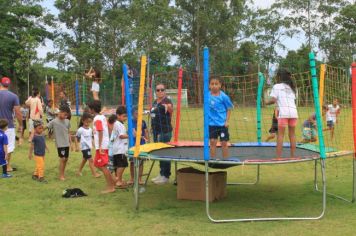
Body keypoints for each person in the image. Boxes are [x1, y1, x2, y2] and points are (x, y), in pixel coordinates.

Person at [265, 69, 298, 159]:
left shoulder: (277, 86)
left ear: (279, 77)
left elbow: (273, 100)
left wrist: (266, 102)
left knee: (280, 135)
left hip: (284, 113)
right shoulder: (292, 87)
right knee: (292, 135)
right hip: (294, 113)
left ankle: (278, 157)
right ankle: (292, 156)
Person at [88, 100, 115, 193]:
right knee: (96, 163)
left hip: (102, 146)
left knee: (103, 166)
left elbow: (100, 131)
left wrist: (99, 147)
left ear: (92, 109)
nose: (89, 110)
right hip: (103, 145)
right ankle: (113, 181)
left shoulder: (97, 119)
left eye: (89, 108)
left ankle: (111, 187)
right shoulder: (101, 116)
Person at [150, 83, 173, 185]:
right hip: (156, 131)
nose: (160, 92)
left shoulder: (167, 101)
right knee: (159, 153)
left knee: (165, 153)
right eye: (158, 90)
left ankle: (166, 175)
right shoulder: (155, 102)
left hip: (165, 131)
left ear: (165, 91)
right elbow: (153, 115)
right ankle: (161, 173)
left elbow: (171, 110)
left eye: (162, 90)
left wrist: (167, 107)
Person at [0, 77, 22, 172]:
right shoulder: (13, 96)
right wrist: (21, 124)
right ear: (8, 85)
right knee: (8, 147)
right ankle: (8, 166)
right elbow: (18, 112)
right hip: (8, 126)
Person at [208, 78, 233, 159]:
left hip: (222, 124)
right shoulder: (207, 96)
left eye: (216, 84)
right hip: (211, 124)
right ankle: (212, 160)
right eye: (212, 84)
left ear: (220, 85)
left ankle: (225, 160)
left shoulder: (224, 97)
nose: (214, 86)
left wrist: (227, 121)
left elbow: (229, 109)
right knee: (212, 142)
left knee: (224, 143)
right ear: (209, 85)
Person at [47, 105, 71, 181]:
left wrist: (71, 143)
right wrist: (37, 132)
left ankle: (63, 172)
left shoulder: (67, 121)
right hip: (60, 144)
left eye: (67, 115)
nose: (65, 116)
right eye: (65, 114)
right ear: (60, 112)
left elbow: (68, 132)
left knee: (66, 159)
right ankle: (61, 175)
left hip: (66, 143)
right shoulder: (54, 121)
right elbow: (45, 127)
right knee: (62, 159)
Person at [76, 113, 100, 177]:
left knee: (84, 159)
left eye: (89, 122)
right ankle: (94, 174)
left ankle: (79, 171)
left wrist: (94, 144)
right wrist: (77, 146)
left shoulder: (90, 129)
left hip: (89, 147)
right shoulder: (80, 129)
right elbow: (77, 138)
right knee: (91, 160)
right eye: (86, 122)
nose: (88, 123)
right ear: (83, 121)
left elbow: (91, 138)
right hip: (84, 148)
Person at [128, 109, 149, 185]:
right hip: (133, 145)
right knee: (132, 162)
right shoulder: (131, 122)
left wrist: (147, 140)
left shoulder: (143, 122)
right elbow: (133, 132)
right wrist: (140, 135)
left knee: (141, 162)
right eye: (136, 113)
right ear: (133, 114)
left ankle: (139, 179)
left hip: (142, 145)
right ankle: (132, 179)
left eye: (139, 113)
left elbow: (146, 131)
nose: (138, 115)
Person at [111, 106, 129, 188]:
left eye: (126, 116)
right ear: (118, 115)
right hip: (120, 149)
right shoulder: (118, 124)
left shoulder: (119, 124)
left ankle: (118, 180)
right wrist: (130, 136)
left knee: (119, 165)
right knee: (122, 165)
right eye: (124, 116)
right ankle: (117, 180)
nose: (125, 118)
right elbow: (121, 136)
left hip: (118, 149)